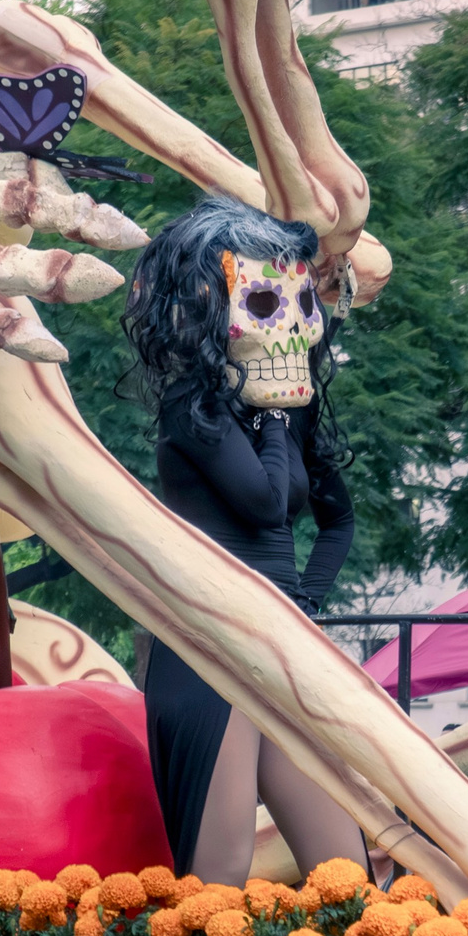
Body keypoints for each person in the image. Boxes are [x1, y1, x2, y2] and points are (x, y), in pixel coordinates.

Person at [122, 195, 365, 884]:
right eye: (263, 298)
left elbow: (332, 517)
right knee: (217, 879)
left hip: (279, 642)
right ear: (212, 300)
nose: (288, 319)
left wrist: (305, 600)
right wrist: (273, 417)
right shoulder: (192, 406)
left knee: (344, 874)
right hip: (210, 644)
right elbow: (265, 501)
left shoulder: (286, 409)